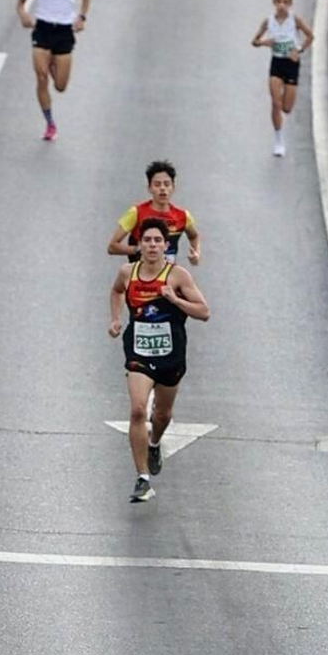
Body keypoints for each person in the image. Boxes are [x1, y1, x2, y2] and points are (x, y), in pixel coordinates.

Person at [111, 218, 209, 500]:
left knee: (162, 414)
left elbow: (204, 312)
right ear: (138, 245)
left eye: (157, 241)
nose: (152, 246)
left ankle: (154, 443)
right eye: (147, 240)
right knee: (138, 411)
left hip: (170, 355)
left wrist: (175, 300)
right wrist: (116, 319)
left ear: (166, 246)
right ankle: (142, 479)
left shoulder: (177, 276)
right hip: (138, 352)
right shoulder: (127, 273)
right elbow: (116, 291)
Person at [17, 0, 90, 142]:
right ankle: (50, 123)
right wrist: (23, 15)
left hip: (64, 30)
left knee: (60, 85)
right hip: (43, 28)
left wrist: (82, 17)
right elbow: (20, 2)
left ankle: (51, 65)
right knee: (40, 77)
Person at [252, 0, 314, 155]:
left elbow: (310, 36)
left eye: (285, 2)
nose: (281, 5)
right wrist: (264, 42)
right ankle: (278, 140)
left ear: (290, 4)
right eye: (278, 1)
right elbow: (254, 41)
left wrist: (299, 49)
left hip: (291, 64)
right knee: (275, 103)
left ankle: (282, 105)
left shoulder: (295, 20)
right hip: (277, 63)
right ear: (273, 2)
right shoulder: (268, 21)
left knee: (286, 108)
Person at [107, 160, 201, 267]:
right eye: (157, 185)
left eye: (166, 184)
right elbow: (112, 247)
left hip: (168, 278)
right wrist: (138, 249)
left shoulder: (183, 216)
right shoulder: (136, 212)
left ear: (173, 188)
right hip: (139, 278)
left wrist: (196, 254)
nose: (162, 188)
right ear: (149, 188)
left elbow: (194, 236)